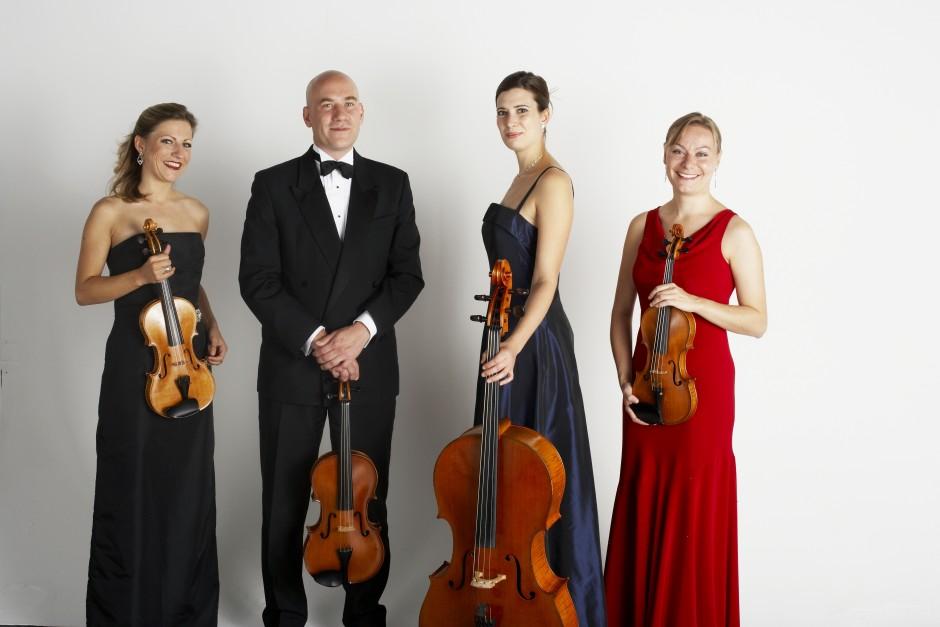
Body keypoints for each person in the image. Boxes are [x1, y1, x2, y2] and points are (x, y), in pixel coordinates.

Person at [239, 70, 423, 627]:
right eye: (325, 104)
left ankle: (364, 615)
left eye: (348, 104)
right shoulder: (271, 185)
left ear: (362, 112)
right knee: (284, 503)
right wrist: (319, 340)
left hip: (369, 365)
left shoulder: (393, 184)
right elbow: (258, 279)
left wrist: (361, 331)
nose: (338, 114)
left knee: (369, 501)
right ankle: (285, 615)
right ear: (307, 116)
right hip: (293, 366)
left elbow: (407, 276)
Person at [604, 112, 767, 626]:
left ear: (717, 161)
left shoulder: (734, 231)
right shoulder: (642, 226)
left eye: (700, 153)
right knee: (643, 491)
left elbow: (757, 319)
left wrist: (694, 301)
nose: (688, 162)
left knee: (695, 500)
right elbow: (620, 313)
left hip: (703, 393)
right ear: (664, 155)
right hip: (648, 388)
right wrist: (624, 379)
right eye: (679, 150)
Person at [75, 102, 227, 626]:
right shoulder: (110, 211)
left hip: (187, 366)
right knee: (132, 487)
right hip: (132, 368)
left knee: (188, 492)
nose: (178, 153)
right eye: (168, 141)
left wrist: (213, 322)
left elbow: (187, 284)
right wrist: (139, 277)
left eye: (186, 143)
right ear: (140, 144)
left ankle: (186, 616)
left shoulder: (197, 212)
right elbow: (85, 290)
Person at [476, 70, 607, 626]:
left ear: (546, 114)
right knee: (503, 472)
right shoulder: (516, 180)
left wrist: (513, 347)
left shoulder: (552, 180)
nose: (511, 122)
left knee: (541, 474)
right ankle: (506, 601)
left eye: (522, 111)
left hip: (534, 341)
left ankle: (555, 608)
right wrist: (499, 341)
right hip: (504, 334)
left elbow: (548, 279)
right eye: (503, 112)